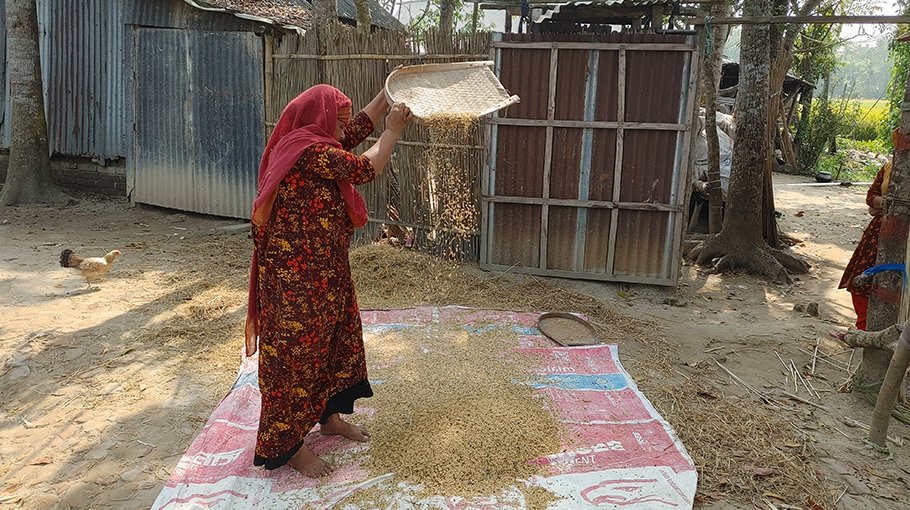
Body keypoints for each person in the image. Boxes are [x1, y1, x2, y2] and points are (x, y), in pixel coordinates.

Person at [245, 84, 413, 477]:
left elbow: (351, 131)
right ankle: (288, 447)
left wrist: (388, 92)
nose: (343, 132)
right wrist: (392, 130)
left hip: (325, 271)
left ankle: (329, 417)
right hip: (296, 281)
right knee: (296, 359)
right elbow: (364, 167)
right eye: (336, 123)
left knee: (337, 341)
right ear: (319, 121)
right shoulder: (309, 152)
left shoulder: (315, 139)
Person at [839, 159, 892, 330]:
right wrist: (885, 204)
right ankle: (863, 328)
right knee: (862, 280)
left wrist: (880, 206)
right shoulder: (890, 166)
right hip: (878, 234)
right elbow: (871, 197)